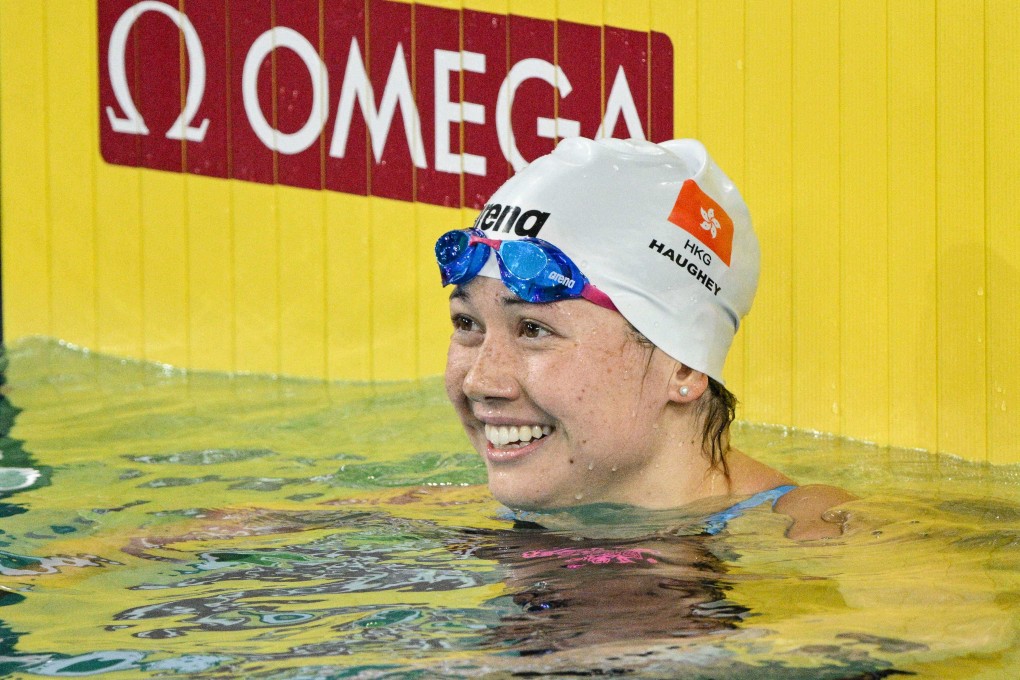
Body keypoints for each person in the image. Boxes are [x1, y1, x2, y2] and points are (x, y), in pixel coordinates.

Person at [436, 137, 853, 540]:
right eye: (468, 324)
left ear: (683, 364)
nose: (479, 381)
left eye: (533, 330)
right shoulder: (433, 516)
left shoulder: (817, 535)